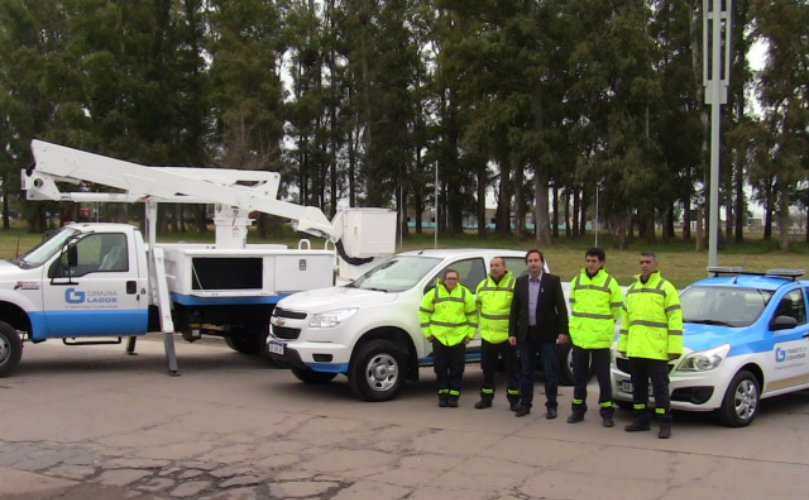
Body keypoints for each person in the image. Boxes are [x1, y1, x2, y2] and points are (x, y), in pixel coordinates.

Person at [618, 251, 683, 439]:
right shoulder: (632, 289)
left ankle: (665, 423)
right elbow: (626, 322)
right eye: (641, 262)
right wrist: (623, 345)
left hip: (657, 349)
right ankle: (641, 420)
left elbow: (675, 320)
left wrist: (674, 348)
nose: (644, 265)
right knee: (638, 388)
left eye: (647, 262)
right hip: (637, 348)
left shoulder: (666, 288)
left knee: (660, 388)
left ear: (656, 265)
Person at [566, 248, 624, 427]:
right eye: (588, 260)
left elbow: (617, 310)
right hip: (581, 338)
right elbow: (573, 304)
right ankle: (577, 410)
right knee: (579, 377)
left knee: (603, 378)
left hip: (600, 338)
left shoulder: (610, 282)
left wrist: (602, 326)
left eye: (594, 261)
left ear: (602, 263)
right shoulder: (577, 280)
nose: (590, 264)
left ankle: (607, 412)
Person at [509, 249, 569, 418]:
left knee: (549, 371)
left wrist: (563, 331)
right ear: (527, 264)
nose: (533, 263)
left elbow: (561, 308)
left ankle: (551, 406)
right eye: (530, 261)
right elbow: (515, 310)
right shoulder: (520, 282)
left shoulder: (552, 281)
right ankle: (525, 404)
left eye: (536, 260)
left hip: (547, 335)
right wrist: (512, 332)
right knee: (526, 371)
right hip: (526, 335)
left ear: (542, 263)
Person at [419, 268, 478, 408]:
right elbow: (424, 313)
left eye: (454, 279)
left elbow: (473, 315)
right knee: (440, 368)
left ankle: (454, 396)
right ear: (444, 280)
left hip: (458, 338)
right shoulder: (434, 293)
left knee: (457, 369)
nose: (452, 281)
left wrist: (470, 335)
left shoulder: (465, 293)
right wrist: (428, 333)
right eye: (449, 279)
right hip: (440, 338)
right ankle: (443, 395)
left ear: (458, 280)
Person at [473, 257, 520, 410]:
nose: (494, 268)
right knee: (487, 369)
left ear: (504, 267)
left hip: (507, 336)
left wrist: (516, 331)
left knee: (512, 370)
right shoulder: (483, 285)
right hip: (488, 335)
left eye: (497, 265)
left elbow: (519, 310)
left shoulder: (514, 284)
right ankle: (486, 398)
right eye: (492, 265)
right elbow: (477, 307)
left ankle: (514, 400)